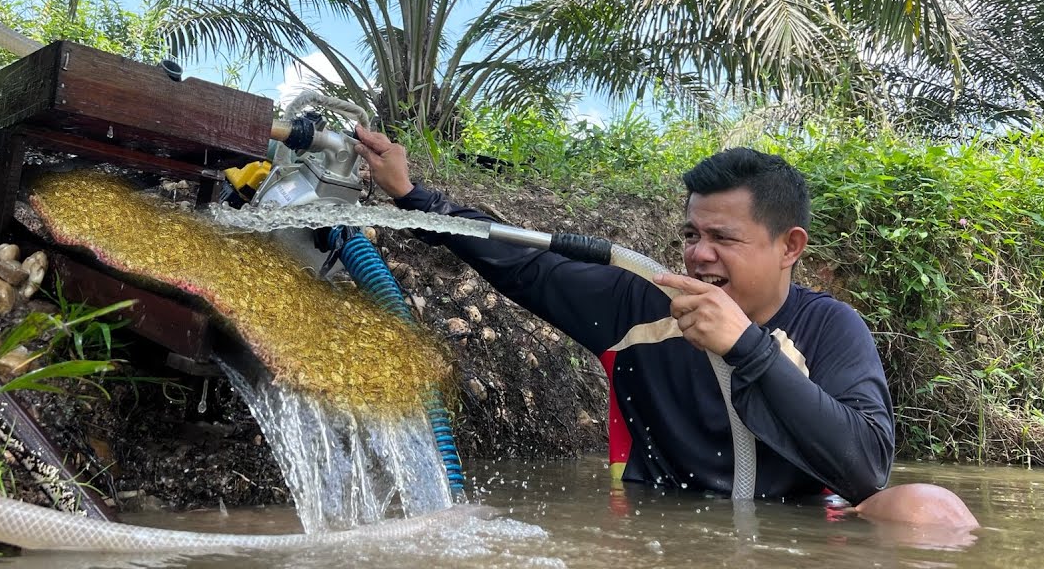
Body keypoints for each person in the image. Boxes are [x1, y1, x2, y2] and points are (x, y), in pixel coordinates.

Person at [353, 126, 894, 504]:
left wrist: (748, 349)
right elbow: (525, 266)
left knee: (920, 509)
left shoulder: (830, 328)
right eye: (692, 234)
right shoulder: (640, 304)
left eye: (723, 238)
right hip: (655, 523)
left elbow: (867, 471)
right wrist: (411, 195)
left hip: (785, 531)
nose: (699, 254)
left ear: (790, 246)